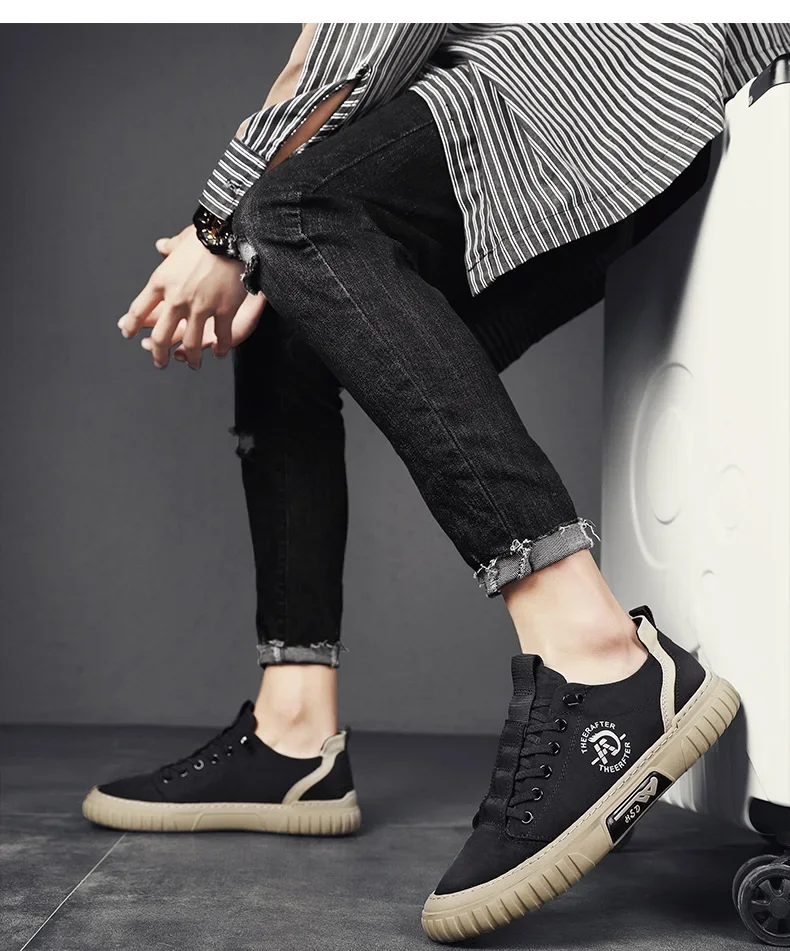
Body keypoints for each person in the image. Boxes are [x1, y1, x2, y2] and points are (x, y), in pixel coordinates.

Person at [82, 24, 789, 941]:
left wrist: (224, 218)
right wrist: (241, 220)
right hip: (661, 101)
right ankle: (295, 732)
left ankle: (598, 652)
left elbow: (369, 29)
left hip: (616, 70)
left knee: (293, 213)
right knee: (286, 297)